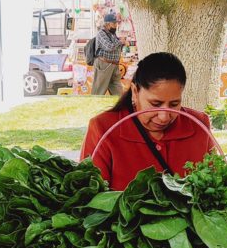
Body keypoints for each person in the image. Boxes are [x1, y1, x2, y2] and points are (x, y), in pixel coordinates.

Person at [81, 52, 215, 190]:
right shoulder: (103, 128)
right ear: (135, 92)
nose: (164, 117)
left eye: (174, 104)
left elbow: (214, 185)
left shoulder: (199, 125)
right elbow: (89, 195)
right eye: (155, 104)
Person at [91, 12, 124, 96]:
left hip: (114, 65)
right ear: (108, 24)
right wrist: (121, 42)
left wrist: (121, 43)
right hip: (104, 65)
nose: (116, 25)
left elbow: (117, 46)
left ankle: (119, 107)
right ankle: (95, 107)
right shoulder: (101, 34)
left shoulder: (112, 34)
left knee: (117, 90)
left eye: (116, 23)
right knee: (99, 91)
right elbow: (109, 47)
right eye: (114, 23)